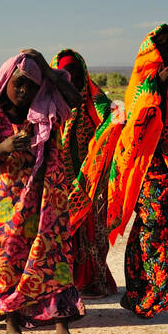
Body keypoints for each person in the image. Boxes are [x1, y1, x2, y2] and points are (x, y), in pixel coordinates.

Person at [70, 24, 168, 334]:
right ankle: (139, 295)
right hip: (152, 173)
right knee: (152, 233)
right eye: (166, 50)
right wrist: (158, 85)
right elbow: (135, 125)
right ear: (154, 52)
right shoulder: (143, 86)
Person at [0, 51, 91, 334]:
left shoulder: (41, 117)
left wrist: (49, 72)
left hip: (41, 207)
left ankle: (62, 331)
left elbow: (77, 101)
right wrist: (4, 147)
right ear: (6, 83)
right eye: (19, 84)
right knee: (7, 266)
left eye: (31, 86)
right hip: (2, 212)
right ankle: (11, 328)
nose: (25, 92)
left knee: (51, 260)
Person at [55, 49, 117, 298]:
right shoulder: (50, 100)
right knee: (63, 229)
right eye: (64, 73)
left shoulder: (95, 98)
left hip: (92, 179)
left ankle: (93, 280)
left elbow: (116, 116)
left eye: (75, 73)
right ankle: (63, 281)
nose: (70, 77)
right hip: (59, 179)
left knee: (92, 229)